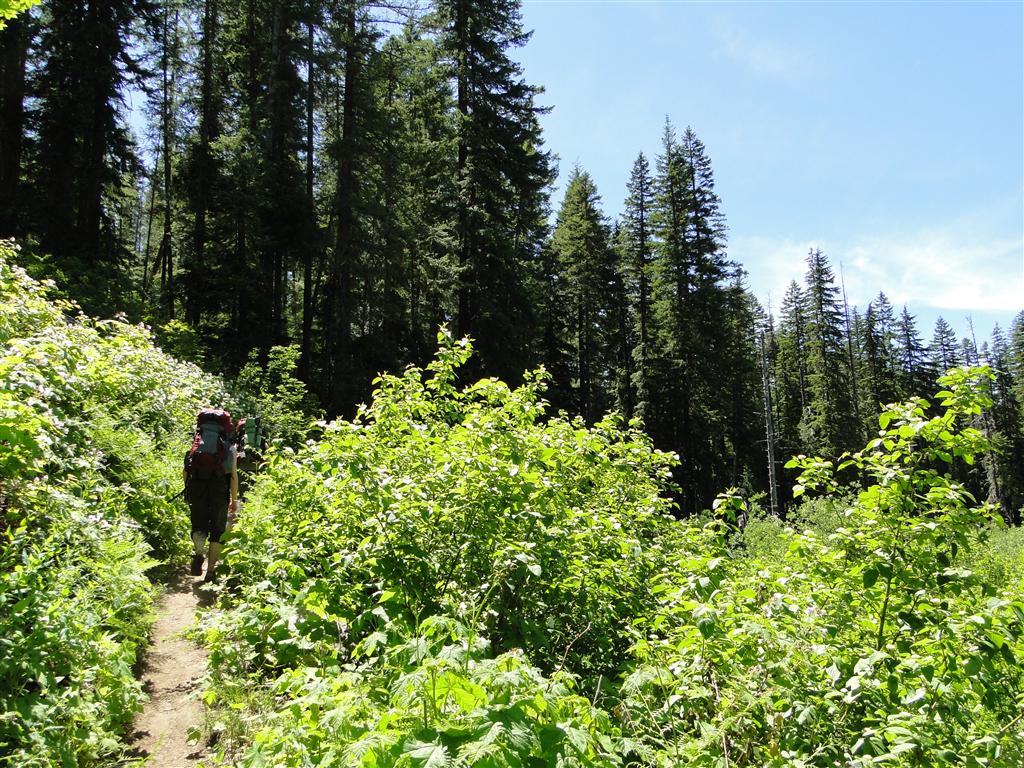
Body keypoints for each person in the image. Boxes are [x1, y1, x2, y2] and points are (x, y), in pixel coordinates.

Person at [183, 408, 238, 583]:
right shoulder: (229, 448)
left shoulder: (196, 444)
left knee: (198, 525)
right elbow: (233, 476)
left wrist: (188, 490)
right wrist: (234, 500)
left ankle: (199, 553)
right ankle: (211, 572)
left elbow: (186, 470)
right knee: (217, 530)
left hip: (197, 486)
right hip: (219, 489)